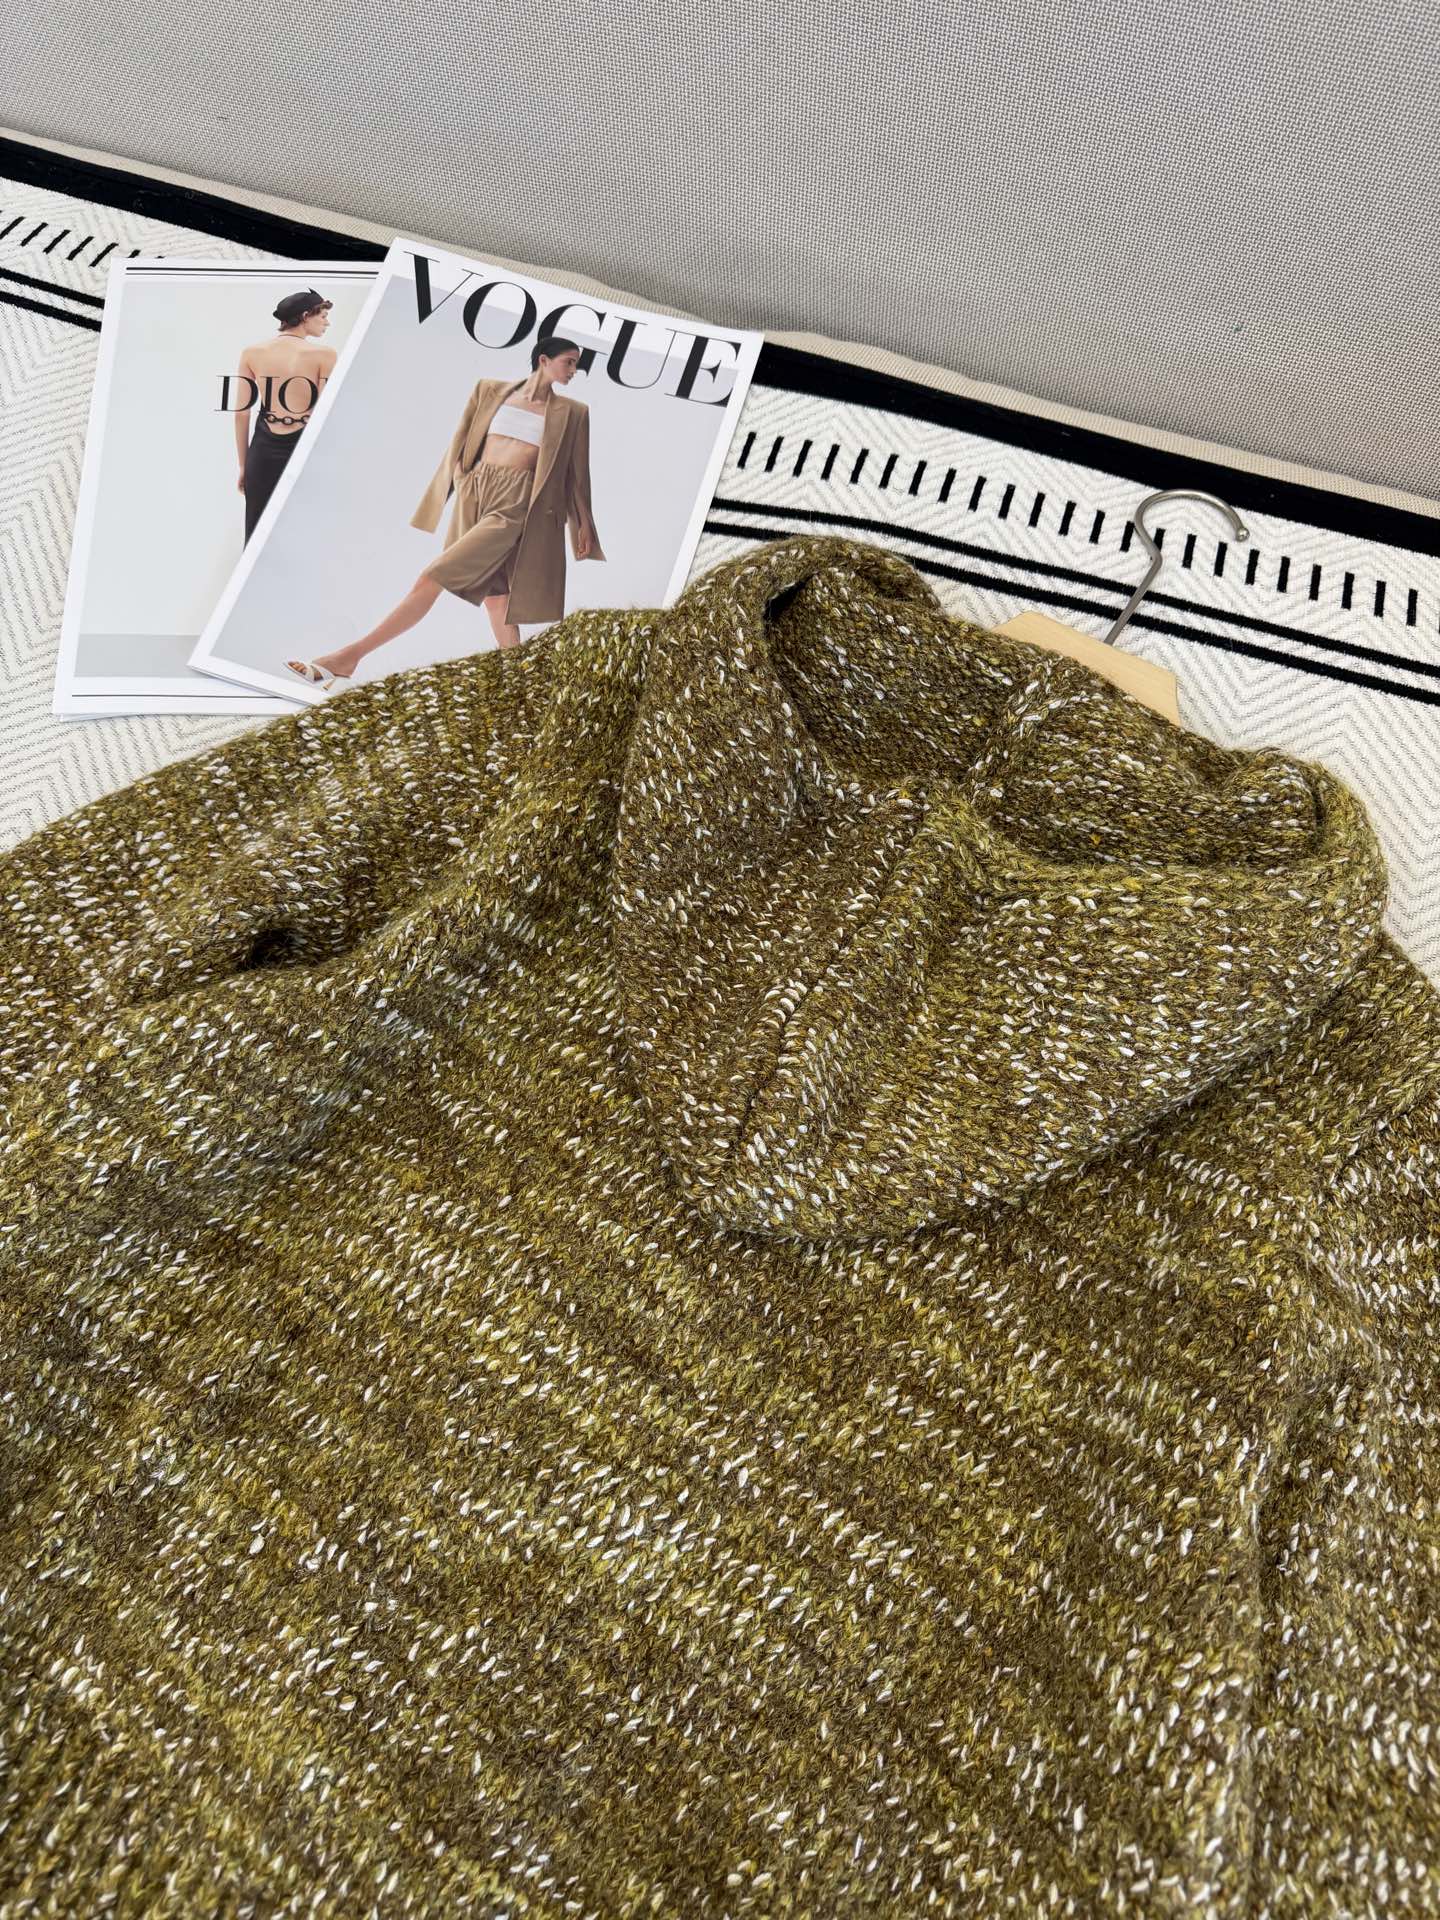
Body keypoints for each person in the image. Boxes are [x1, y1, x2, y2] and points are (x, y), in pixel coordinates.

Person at [284, 334, 605, 691]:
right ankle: (522, 685)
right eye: (569, 362)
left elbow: (578, 474)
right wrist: (461, 479)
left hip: (515, 505)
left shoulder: (573, 413)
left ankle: (349, 657)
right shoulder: (490, 390)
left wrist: (584, 524)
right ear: (544, 360)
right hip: (475, 494)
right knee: (496, 597)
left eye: (576, 364)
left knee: (431, 578)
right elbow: (461, 441)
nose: (574, 370)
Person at [234, 289, 336, 544]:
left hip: (261, 452)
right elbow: (325, 416)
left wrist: (244, 466)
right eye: (323, 316)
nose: (327, 323)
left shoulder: (252, 352)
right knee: (302, 533)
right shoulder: (324, 355)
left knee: (257, 534)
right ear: (305, 316)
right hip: (303, 447)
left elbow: (241, 414)